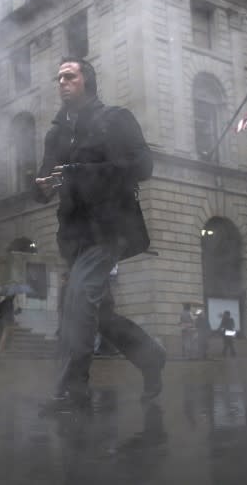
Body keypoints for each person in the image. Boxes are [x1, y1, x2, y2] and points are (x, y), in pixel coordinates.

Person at [34, 56, 166, 408]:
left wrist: (83, 170)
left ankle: (71, 392)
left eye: (69, 76)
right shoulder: (56, 134)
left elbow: (144, 165)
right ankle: (151, 356)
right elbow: (46, 178)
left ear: (86, 81)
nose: (62, 82)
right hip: (73, 235)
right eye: (58, 77)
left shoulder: (115, 120)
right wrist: (41, 187)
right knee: (97, 315)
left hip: (110, 229)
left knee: (77, 303)